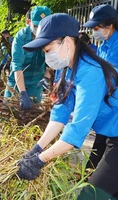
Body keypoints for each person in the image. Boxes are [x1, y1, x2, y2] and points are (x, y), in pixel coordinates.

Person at [16, 13, 118, 199]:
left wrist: (39, 161)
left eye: (48, 50)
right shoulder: (68, 69)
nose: (46, 56)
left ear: (68, 43)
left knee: (91, 195)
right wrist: (37, 148)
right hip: (113, 133)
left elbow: (76, 131)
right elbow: (60, 113)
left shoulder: (91, 73)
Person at [82, 4, 118, 170]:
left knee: (108, 142)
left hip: (114, 106)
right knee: (101, 137)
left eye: (97, 27)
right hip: (109, 104)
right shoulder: (104, 45)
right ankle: (89, 171)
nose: (94, 31)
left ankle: (94, 175)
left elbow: (109, 75)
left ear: (109, 26)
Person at [4, 6, 52, 110]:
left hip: (36, 83)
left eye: (43, 27)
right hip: (17, 83)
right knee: (8, 113)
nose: (39, 30)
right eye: (36, 26)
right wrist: (22, 92)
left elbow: (53, 62)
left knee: (32, 115)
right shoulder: (21, 37)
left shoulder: (51, 37)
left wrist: (46, 77)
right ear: (28, 22)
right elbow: (17, 65)